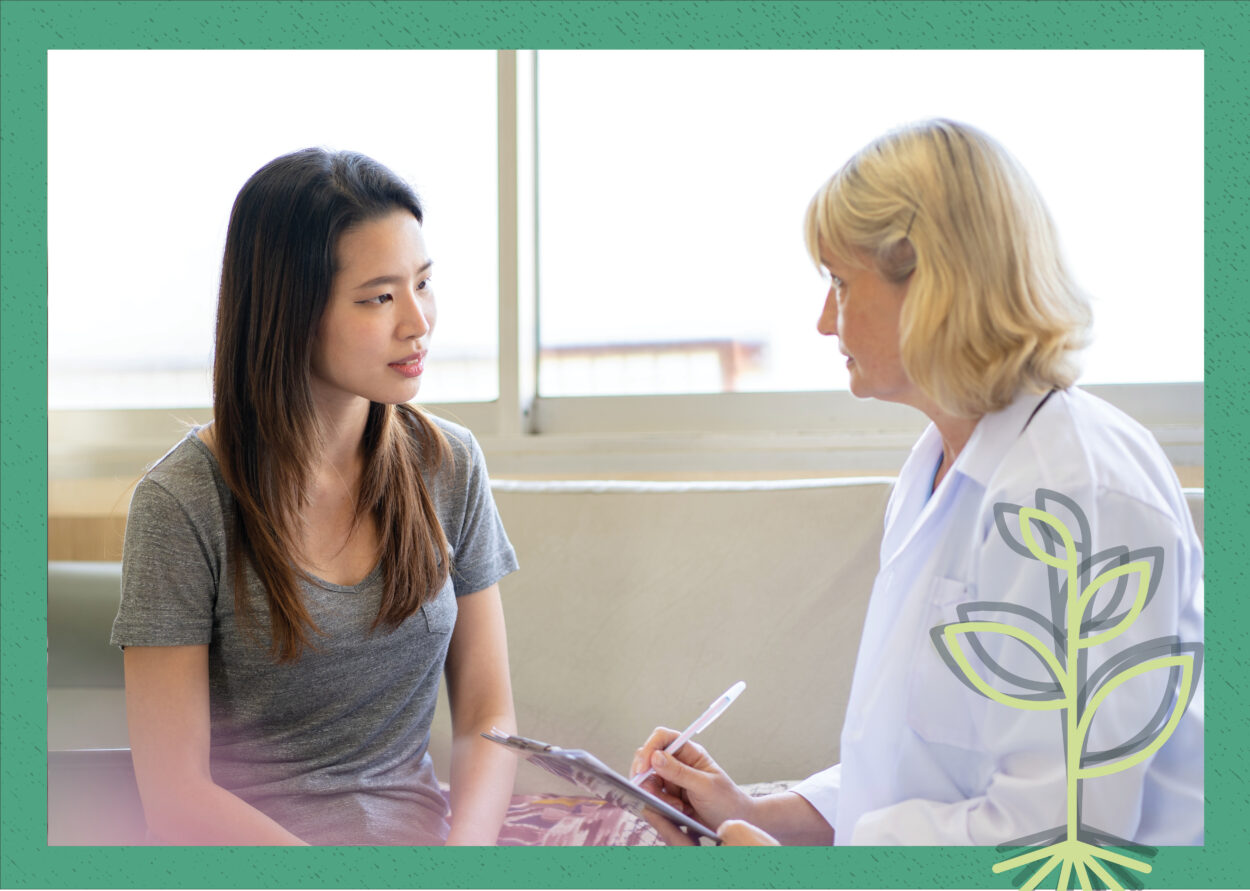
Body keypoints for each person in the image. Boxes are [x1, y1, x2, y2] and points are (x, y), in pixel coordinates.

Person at [633, 119, 1203, 847]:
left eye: (840, 283)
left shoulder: (1078, 495)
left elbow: (1062, 839)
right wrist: (754, 813)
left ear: (932, 283)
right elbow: (919, 772)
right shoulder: (936, 466)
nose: (821, 320)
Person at [111, 148, 519, 845]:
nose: (418, 321)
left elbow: (487, 711)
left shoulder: (448, 463)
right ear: (288, 310)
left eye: (423, 283)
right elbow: (176, 793)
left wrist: (467, 860)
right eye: (380, 297)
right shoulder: (182, 503)